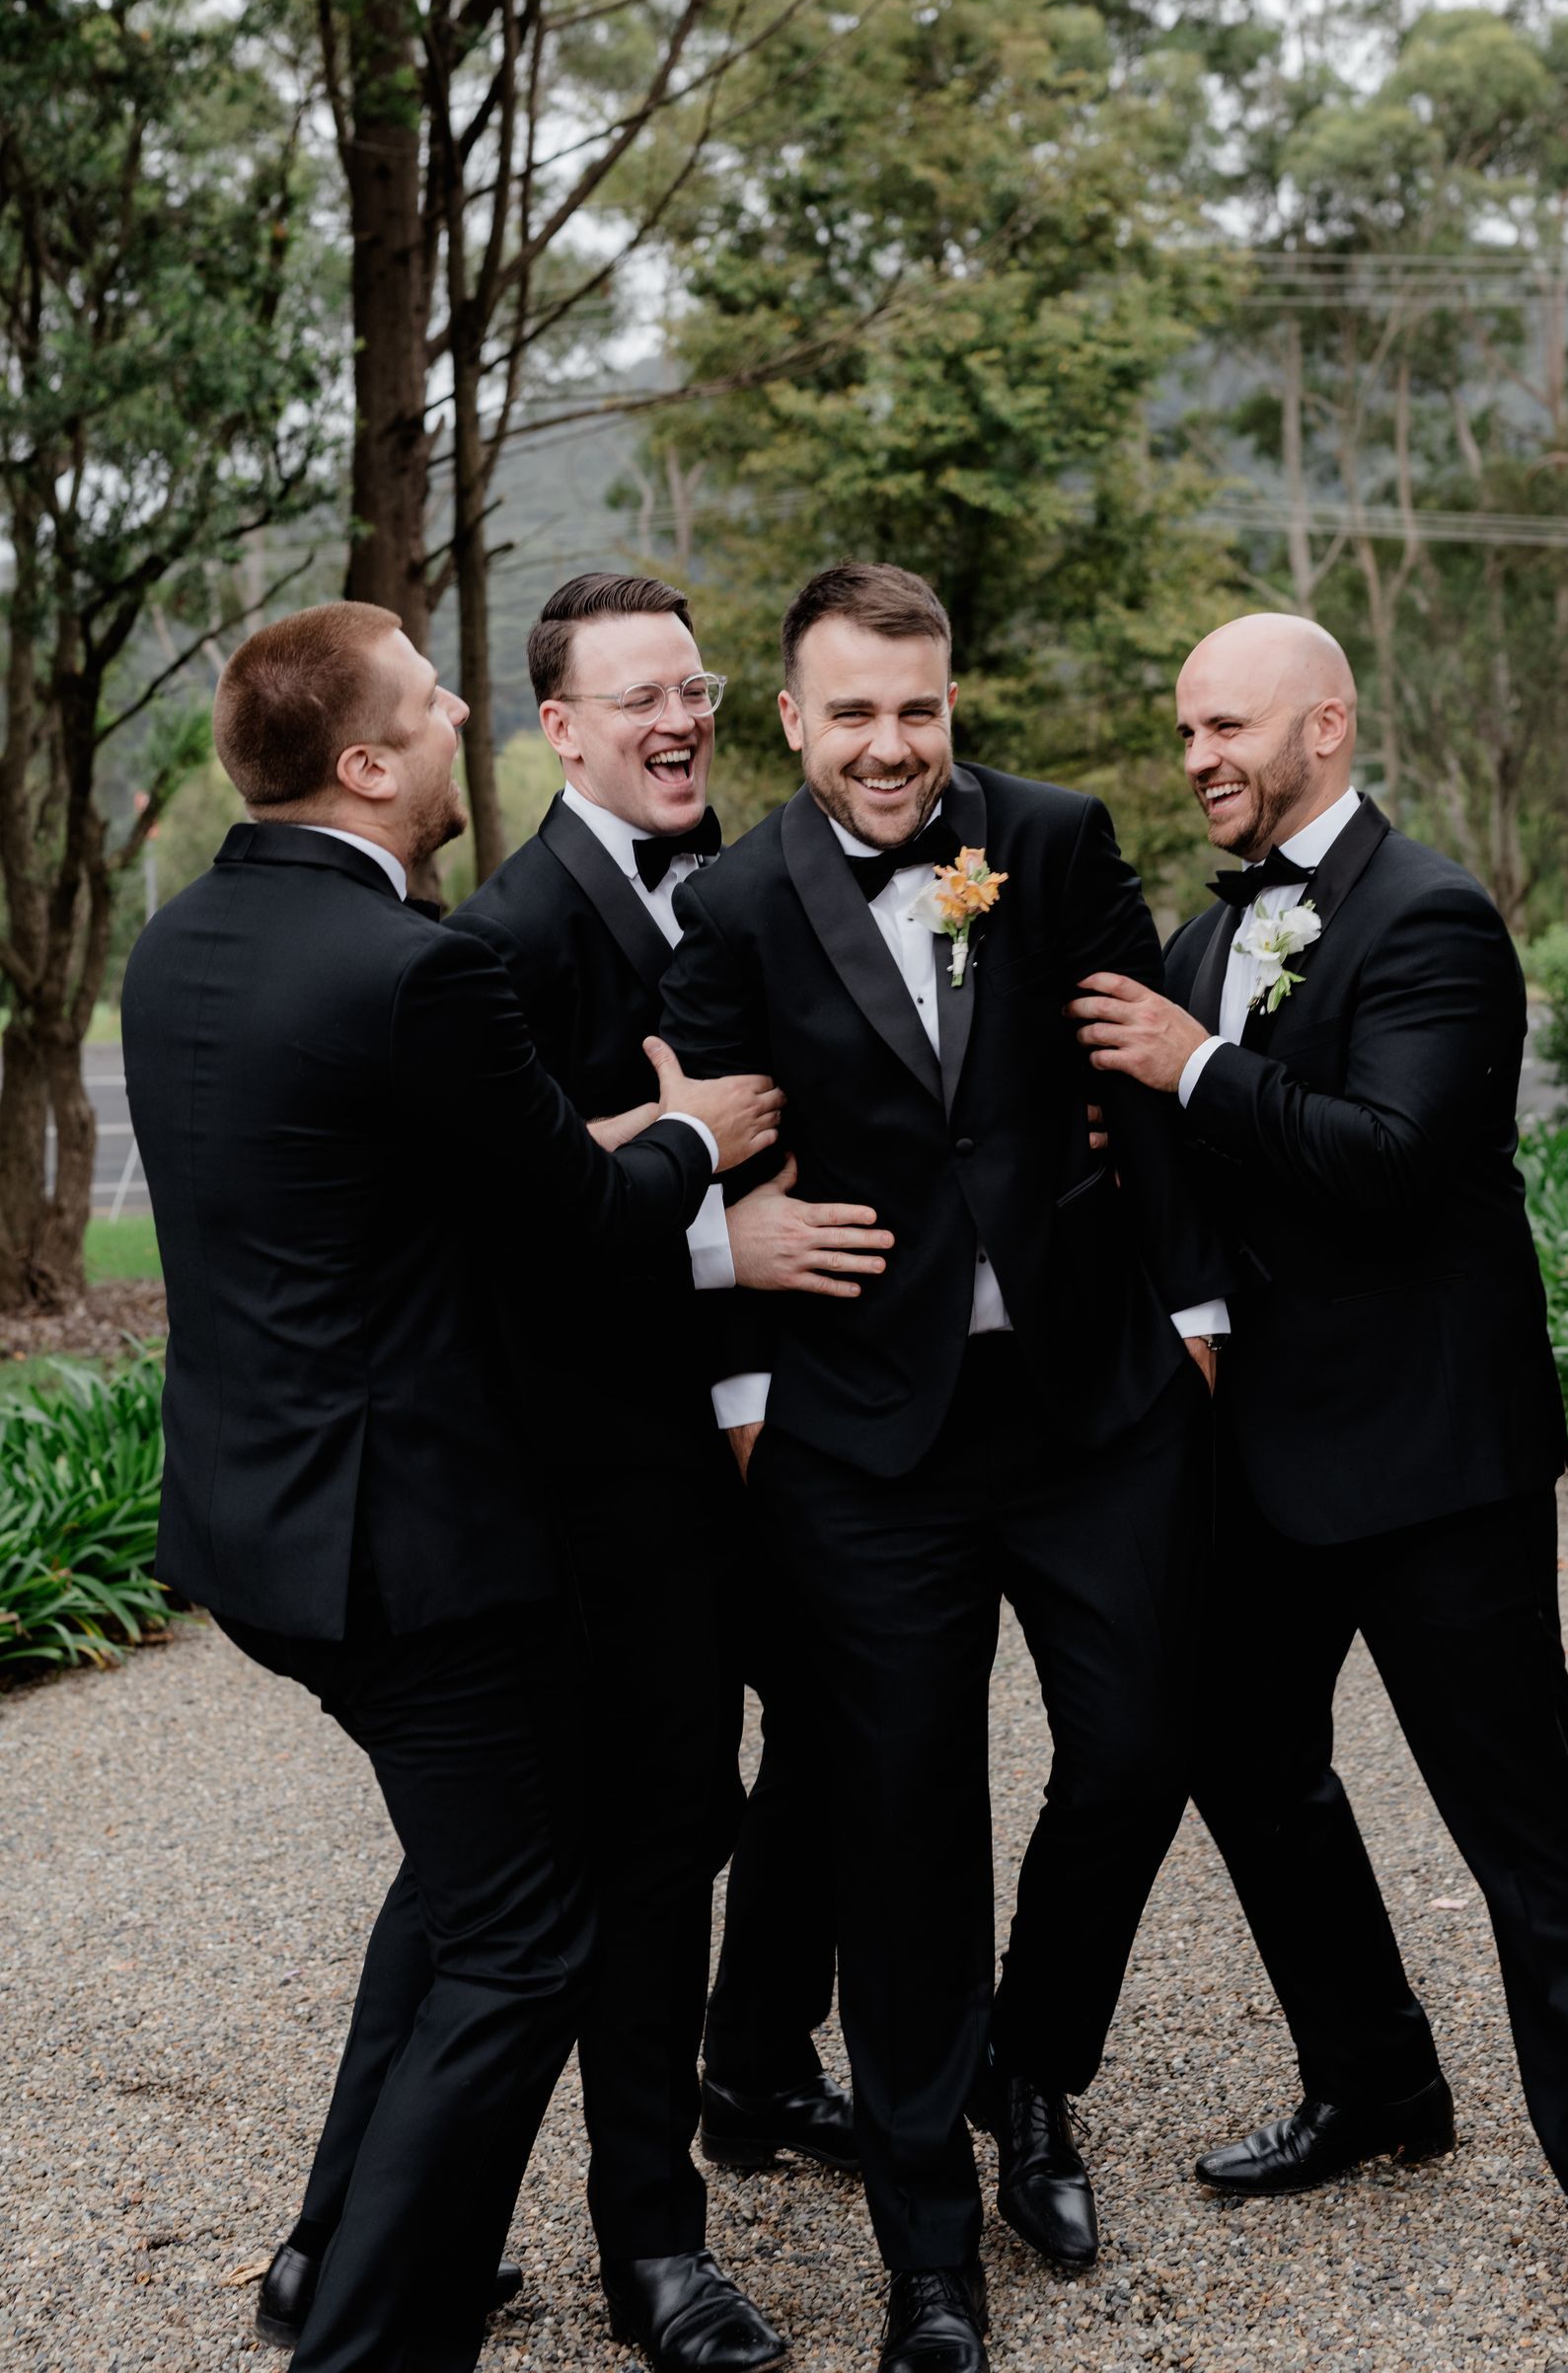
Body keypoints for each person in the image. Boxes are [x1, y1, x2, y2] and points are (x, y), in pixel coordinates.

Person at [122, 602, 781, 2373]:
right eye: (430, 703)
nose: (456, 714)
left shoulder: (182, 945)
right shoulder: (425, 966)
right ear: (366, 761)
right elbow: (566, 1234)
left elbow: (414, 1180)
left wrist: (621, 1142)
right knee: (520, 1947)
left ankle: (336, 2251)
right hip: (412, 1546)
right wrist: (699, 1152)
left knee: (476, 1887)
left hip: (260, 1524)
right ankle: (364, 2335)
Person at [275, 571, 874, 2373]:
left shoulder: (767, 891)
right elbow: (497, 1255)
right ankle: (654, 2252)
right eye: (637, 701)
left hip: (786, 1447)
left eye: (694, 688)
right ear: (561, 733)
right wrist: (723, 1253)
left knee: (755, 1784)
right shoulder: (503, 945)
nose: (679, 720)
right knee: (633, 1851)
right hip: (598, 1490)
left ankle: (734, 2075)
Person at [1067, 611, 1568, 2337]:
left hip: (1429, 1463)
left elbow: (1399, 1163)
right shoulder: (1203, 931)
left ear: (1324, 725)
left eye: (1227, 727)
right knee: (1246, 1767)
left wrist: (1193, 1069)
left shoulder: (1434, 919)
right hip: (1254, 1465)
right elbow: (1185, 1163)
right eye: (1185, 730)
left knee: (1522, 1828)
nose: (1198, 758)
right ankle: (1380, 2081)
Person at [661, 563, 1227, 2373]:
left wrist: (1194, 1303)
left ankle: (1031, 2068)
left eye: (920, 711)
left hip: (1085, 1405)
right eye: (855, 715)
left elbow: (1136, 1080)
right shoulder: (733, 903)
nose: (892, 747)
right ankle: (931, 2254)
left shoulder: (1053, 841)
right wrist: (745, 1377)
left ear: (950, 704)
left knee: (1141, 1747)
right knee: (905, 1830)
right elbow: (711, 1155)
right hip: (861, 1438)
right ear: (794, 720)